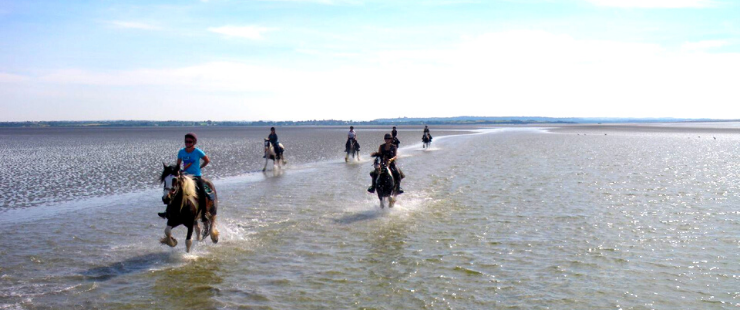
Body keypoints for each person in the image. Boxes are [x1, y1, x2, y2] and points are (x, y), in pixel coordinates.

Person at [159, 132, 210, 218]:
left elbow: (207, 160)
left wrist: (200, 167)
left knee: (202, 192)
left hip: (196, 176)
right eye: (186, 141)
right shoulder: (181, 152)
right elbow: (178, 165)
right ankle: (167, 211)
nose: (188, 143)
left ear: (194, 142)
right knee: (173, 191)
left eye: (190, 142)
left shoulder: (198, 151)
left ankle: (204, 213)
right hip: (185, 175)